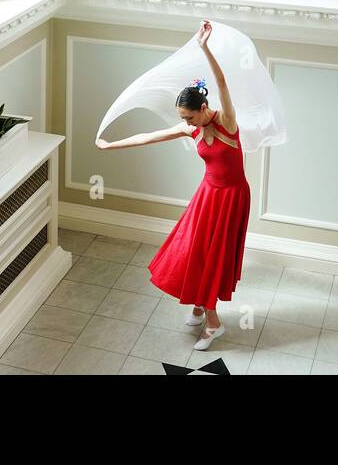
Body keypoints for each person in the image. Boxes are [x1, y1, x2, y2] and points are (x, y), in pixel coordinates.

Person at [95, 19, 250, 350]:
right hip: (207, 195)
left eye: (190, 117)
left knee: (213, 256)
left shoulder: (227, 121)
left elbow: (221, 82)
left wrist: (205, 48)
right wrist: (112, 145)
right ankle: (198, 305)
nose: (186, 123)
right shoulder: (190, 129)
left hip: (232, 198)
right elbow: (149, 137)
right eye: (182, 118)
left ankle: (213, 323)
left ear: (204, 108)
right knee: (194, 250)